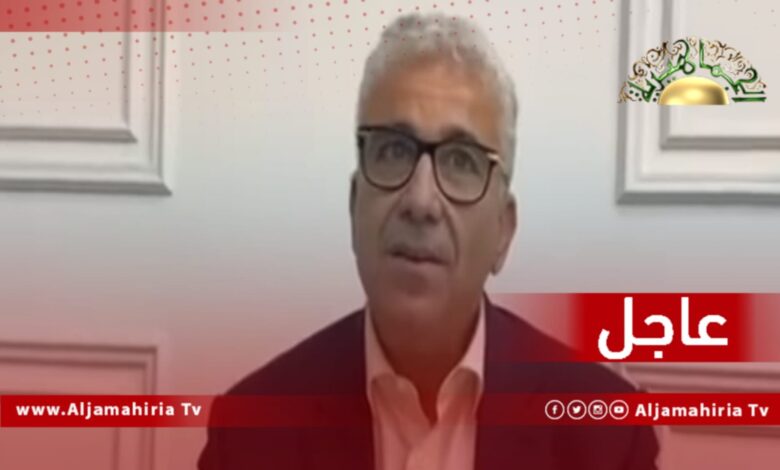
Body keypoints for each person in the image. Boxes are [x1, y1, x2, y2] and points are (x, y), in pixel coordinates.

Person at [199, 12, 658, 470]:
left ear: (503, 230)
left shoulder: (608, 437)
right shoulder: (247, 436)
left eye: (461, 161)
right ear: (355, 205)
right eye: (393, 151)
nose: (420, 201)